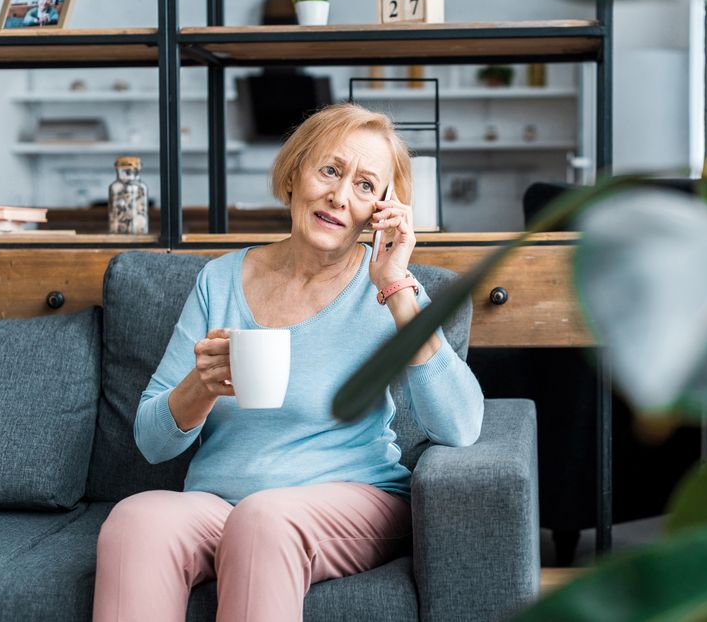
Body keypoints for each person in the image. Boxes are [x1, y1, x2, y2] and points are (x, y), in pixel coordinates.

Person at [92, 103, 485, 622]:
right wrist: (202, 385)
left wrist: (395, 287)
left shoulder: (389, 290)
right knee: (137, 518)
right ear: (296, 172)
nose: (340, 196)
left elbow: (460, 426)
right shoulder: (219, 280)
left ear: (382, 209)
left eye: (366, 186)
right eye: (329, 170)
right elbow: (151, 439)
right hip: (220, 504)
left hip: (353, 498)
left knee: (264, 519)